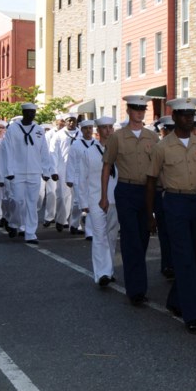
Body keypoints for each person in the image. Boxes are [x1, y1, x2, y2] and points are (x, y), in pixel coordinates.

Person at [146, 98, 196, 334]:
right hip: (175, 203)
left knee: (192, 254)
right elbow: (151, 181)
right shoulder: (162, 147)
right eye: (184, 114)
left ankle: (175, 299)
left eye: (191, 115)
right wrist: (150, 214)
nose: (188, 118)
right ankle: (191, 314)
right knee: (185, 258)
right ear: (174, 117)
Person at [100, 95, 159, 306]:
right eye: (136, 109)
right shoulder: (117, 137)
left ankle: (136, 280)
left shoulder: (152, 137)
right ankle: (136, 290)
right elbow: (107, 165)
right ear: (128, 110)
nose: (140, 113)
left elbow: (159, 167)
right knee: (131, 238)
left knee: (143, 238)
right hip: (126, 190)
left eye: (143, 109)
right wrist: (104, 196)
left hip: (147, 191)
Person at [0, 104, 55, 244]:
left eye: (33, 112)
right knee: (17, 201)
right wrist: (9, 170)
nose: (31, 115)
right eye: (28, 112)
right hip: (17, 172)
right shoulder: (13, 129)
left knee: (32, 203)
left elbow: (44, 151)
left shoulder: (39, 129)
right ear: (23, 113)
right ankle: (13, 223)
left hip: (34, 172)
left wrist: (46, 170)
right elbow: (7, 150)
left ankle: (30, 233)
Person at [77, 117, 119, 286]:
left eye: (110, 127)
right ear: (98, 131)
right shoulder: (89, 152)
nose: (108, 131)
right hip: (96, 199)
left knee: (111, 236)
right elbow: (82, 178)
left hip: (115, 199)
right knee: (99, 235)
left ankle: (109, 269)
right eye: (104, 127)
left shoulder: (119, 151)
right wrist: (83, 202)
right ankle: (102, 273)